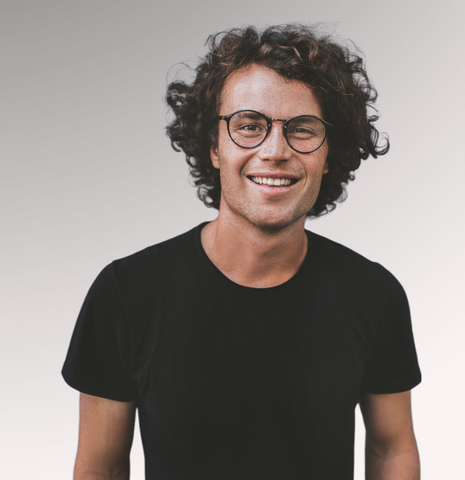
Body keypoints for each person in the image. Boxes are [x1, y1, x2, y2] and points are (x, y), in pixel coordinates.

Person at [62, 24, 421, 480]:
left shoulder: (374, 295)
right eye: (249, 126)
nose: (275, 151)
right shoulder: (125, 294)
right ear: (214, 145)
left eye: (303, 130)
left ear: (329, 154)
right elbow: (101, 467)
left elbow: (392, 451)